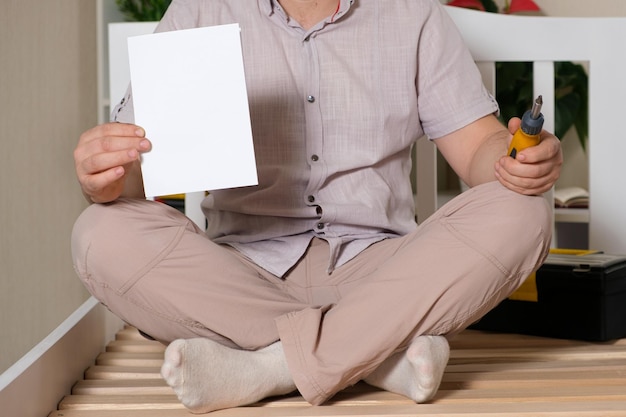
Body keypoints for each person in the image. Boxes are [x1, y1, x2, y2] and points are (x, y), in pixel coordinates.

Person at [72, 0, 562, 413]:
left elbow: (479, 149)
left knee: (524, 210)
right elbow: (139, 172)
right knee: (100, 233)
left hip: (383, 272)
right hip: (239, 276)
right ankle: (375, 355)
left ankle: (268, 368)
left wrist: (516, 160)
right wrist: (107, 174)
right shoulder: (201, 8)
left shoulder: (413, 13)